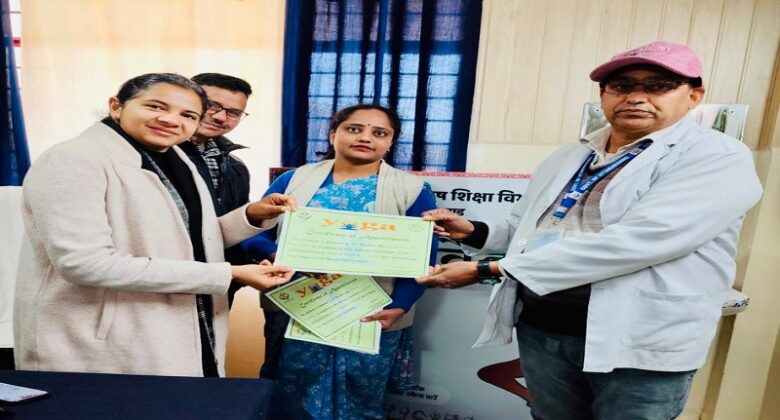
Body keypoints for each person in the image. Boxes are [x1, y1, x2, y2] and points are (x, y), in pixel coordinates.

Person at [418, 41, 763, 419]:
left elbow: (641, 241)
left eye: (658, 86)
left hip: (638, 342)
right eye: (621, 86)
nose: (636, 96)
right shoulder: (570, 156)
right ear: (603, 95)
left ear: (694, 95)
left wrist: (489, 269)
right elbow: (529, 228)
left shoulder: (716, 155)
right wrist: (473, 231)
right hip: (544, 330)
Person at [14, 73, 296, 378]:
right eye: (156, 106)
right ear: (116, 106)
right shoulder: (72, 160)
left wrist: (251, 216)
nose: (171, 120)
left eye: (188, 115)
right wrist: (228, 273)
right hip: (97, 336)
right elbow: (84, 263)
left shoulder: (177, 159)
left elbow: (188, 236)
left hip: (173, 320)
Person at [242, 104, 437, 419]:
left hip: (373, 310)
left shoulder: (413, 189)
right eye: (354, 129)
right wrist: (280, 255)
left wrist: (400, 306)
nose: (365, 138)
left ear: (390, 143)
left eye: (379, 133)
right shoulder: (293, 180)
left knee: (362, 394)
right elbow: (253, 234)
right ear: (333, 134)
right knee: (291, 389)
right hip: (299, 305)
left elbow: (423, 256)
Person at [180, 73, 254, 306]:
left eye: (234, 112)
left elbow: (232, 227)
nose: (221, 117)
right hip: (167, 275)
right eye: (212, 105)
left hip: (220, 278)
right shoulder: (157, 156)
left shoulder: (235, 166)